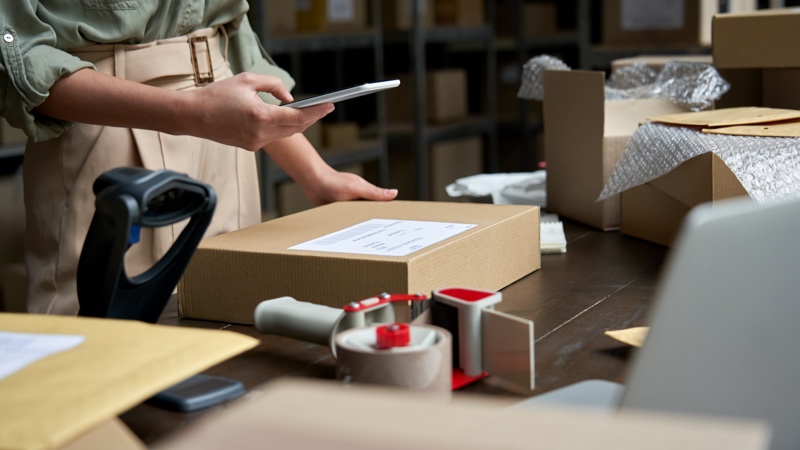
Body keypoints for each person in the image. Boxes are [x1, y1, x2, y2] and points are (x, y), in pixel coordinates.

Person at [0, 1, 398, 316]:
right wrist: (191, 113)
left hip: (224, 145)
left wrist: (317, 175)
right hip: (113, 130)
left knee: (232, 321)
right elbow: (19, 62)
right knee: (105, 347)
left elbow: (233, 40)